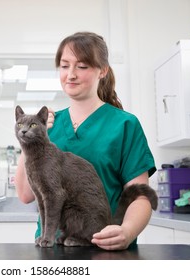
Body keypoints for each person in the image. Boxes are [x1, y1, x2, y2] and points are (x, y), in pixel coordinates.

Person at [15, 31, 156, 251]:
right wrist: (34, 137)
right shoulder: (47, 124)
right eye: (64, 66)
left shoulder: (124, 125)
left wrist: (127, 231)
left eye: (81, 67)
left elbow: (139, 196)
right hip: (51, 249)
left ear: (103, 70)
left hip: (105, 246)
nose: (71, 74)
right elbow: (25, 195)